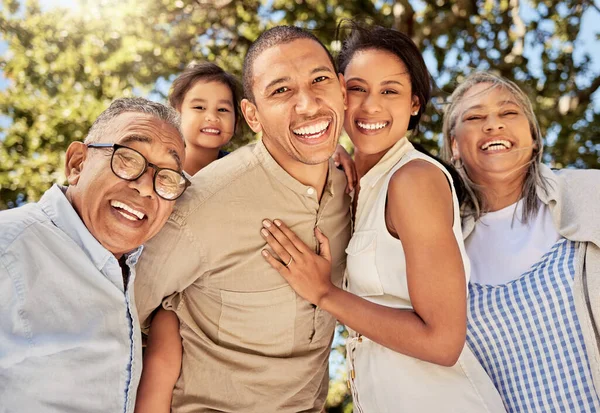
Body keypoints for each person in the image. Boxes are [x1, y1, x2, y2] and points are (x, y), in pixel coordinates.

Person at [260, 23, 506, 412]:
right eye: (358, 89)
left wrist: (325, 293)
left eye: (390, 90)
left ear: (414, 104)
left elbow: (443, 342)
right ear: (340, 94)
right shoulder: (353, 183)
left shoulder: (414, 180)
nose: (371, 106)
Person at [133, 26, 351, 413]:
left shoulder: (355, 191)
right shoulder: (201, 206)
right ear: (252, 115)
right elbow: (124, 313)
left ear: (342, 89)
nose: (308, 104)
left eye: (319, 80)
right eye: (281, 90)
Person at [0, 97, 189, 413]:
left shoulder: (135, 268)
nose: (145, 187)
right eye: (128, 158)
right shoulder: (9, 248)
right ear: (77, 164)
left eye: (167, 176)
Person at [440, 71, 600, 412]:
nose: (493, 124)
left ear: (533, 136)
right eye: (475, 117)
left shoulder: (592, 195)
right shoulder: (442, 245)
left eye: (509, 112)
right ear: (454, 145)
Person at [168, 62, 241, 175]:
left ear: (236, 121)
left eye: (222, 109)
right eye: (199, 107)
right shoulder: (162, 170)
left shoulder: (242, 169)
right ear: (177, 115)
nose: (212, 117)